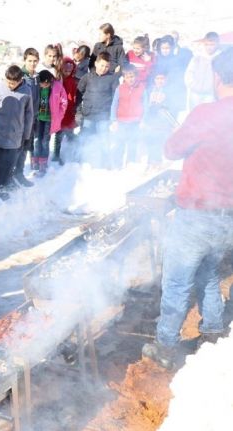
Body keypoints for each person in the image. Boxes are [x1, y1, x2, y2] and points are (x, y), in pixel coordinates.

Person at [142, 48, 233, 370]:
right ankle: (212, 331)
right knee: (208, 271)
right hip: (229, 220)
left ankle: (166, 346)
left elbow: (171, 149)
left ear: (217, 76)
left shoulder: (206, 113)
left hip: (197, 216)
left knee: (178, 282)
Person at [0, 65, 34, 193]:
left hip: (15, 134)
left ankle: (7, 182)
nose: (10, 85)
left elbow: (29, 114)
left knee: (10, 161)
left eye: (13, 83)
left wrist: (26, 135)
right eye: (8, 82)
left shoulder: (26, 91)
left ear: (20, 80)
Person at [77, 52, 120, 167]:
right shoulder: (87, 77)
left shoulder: (112, 79)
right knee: (84, 138)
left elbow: (116, 98)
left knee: (104, 140)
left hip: (103, 116)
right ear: (96, 63)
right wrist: (78, 111)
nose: (104, 68)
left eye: (106, 66)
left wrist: (113, 117)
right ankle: (79, 160)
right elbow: (78, 94)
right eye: (102, 65)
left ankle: (104, 163)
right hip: (88, 114)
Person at [109, 63, 147, 167]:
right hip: (121, 121)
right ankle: (117, 166)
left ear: (136, 76)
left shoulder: (141, 88)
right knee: (119, 144)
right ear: (124, 77)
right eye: (127, 77)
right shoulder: (120, 88)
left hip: (135, 122)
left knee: (132, 145)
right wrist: (114, 120)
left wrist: (144, 120)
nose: (130, 79)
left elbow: (146, 105)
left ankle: (130, 165)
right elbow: (114, 104)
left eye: (132, 76)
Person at [32, 70, 67, 176]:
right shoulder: (37, 86)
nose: (43, 85)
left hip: (49, 119)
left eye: (44, 83)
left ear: (49, 81)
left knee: (45, 141)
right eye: (41, 83)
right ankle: (35, 160)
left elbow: (64, 102)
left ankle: (43, 162)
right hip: (38, 118)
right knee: (37, 140)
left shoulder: (57, 86)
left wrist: (59, 115)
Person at [185, 32, 222, 110]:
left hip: (211, 94)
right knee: (195, 114)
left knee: (208, 114)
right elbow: (189, 73)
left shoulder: (220, 58)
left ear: (217, 44)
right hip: (195, 93)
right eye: (206, 44)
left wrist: (214, 89)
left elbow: (222, 77)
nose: (209, 47)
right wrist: (193, 85)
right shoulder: (197, 57)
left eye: (212, 44)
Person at [18, 47, 40, 178]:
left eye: (35, 61)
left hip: (34, 115)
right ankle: (16, 171)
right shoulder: (21, 76)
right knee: (21, 144)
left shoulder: (36, 76)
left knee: (29, 142)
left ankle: (24, 169)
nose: (32, 63)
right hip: (22, 117)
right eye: (30, 60)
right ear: (25, 60)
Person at [53, 57, 79, 164]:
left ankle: (73, 152)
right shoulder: (58, 80)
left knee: (70, 134)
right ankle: (56, 155)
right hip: (60, 112)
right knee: (58, 136)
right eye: (65, 70)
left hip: (69, 112)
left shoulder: (72, 81)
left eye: (69, 71)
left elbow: (74, 96)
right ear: (61, 69)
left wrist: (74, 107)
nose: (67, 73)